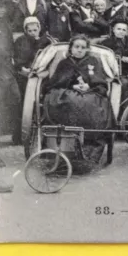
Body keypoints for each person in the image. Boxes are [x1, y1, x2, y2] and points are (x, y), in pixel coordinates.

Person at [43, 35, 114, 163]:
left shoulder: (93, 61)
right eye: (76, 47)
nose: (79, 50)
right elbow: (56, 82)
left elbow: (100, 83)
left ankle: (88, 147)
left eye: (83, 47)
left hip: (90, 92)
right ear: (71, 49)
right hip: (68, 92)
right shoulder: (64, 63)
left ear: (87, 49)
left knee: (93, 104)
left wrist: (89, 85)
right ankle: (66, 143)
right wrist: (72, 85)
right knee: (67, 100)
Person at [0, 0, 23, 147]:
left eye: (3, 6)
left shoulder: (5, 23)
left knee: (16, 99)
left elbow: (10, 46)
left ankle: (17, 137)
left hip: (8, 69)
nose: (1, 9)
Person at [100, 19, 128, 104]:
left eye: (124, 30)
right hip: (110, 73)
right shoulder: (105, 43)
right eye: (118, 29)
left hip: (127, 72)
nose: (121, 32)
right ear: (113, 29)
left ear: (127, 32)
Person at [13, 17, 52, 97]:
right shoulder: (20, 41)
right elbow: (17, 57)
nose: (33, 33)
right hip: (25, 71)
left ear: (39, 28)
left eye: (35, 30)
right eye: (29, 31)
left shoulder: (46, 40)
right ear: (25, 31)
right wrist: (22, 68)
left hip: (42, 70)